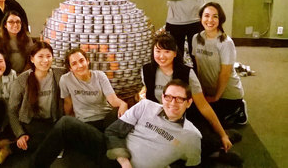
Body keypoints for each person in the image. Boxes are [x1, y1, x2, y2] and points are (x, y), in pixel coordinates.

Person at [30, 79, 201, 168]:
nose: (172, 103)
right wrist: (124, 161)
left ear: (189, 102)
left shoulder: (191, 136)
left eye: (180, 99)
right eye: (169, 97)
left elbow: (191, 164)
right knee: (66, 123)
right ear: (162, 97)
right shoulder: (146, 106)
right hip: (113, 155)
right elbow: (112, 132)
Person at [141, 32, 243, 166]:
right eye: (158, 51)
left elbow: (203, 106)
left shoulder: (187, 73)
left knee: (199, 141)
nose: (161, 56)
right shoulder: (147, 70)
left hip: (187, 118)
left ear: (175, 53)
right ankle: (215, 153)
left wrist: (222, 134)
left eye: (167, 51)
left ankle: (222, 138)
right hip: (161, 119)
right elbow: (145, 91)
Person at [0, 42, 65, 164]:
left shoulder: (59, 74)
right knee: (51, 139)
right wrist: (20, 134)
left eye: (48, 56)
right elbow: (12, 110)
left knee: (59, 136)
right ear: (32, 59)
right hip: (31, 122)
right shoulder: (22, 80)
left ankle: (13, 144)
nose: (45, 60)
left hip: (52, 120)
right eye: (40, 56)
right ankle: (10, 148)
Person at [192, 2, 247, 126]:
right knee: (196, 117)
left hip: (227, 94)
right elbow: (199, 67)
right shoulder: (196, 38)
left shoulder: (226, 43)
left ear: (220, 19)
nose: (210, 20)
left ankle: (239, 108)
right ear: (201, 18)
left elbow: (225, 73)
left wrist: (216, 97)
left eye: (215, 16)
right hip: (209, 91)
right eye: (206, 16)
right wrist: (201, 91)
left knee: (214, 124)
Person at [60, 48, 128, 132]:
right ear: (70, 68)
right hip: (86, 122)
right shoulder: (65, 79)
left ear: (87, 61)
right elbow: (68, 104)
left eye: (82, 61)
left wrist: (123, 104)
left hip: (106, 117)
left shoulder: (100, 76)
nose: (80, 65)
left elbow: (113, 100)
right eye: (74, 64)